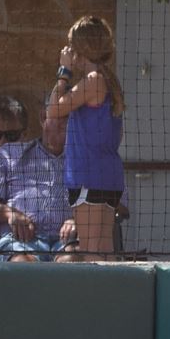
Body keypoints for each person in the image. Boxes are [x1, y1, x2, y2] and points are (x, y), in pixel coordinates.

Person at [44, 15, 127, 254]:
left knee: (91, 250)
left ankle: (98, 292)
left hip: (88, 175)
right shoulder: (110, 82)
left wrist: (63, 71)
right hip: (108, 175)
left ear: (82, 49)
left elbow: (53, 111)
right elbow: (116, 134)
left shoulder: (92, 81)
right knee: (105, 249)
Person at [0, 92, 69, 256]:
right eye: (61, 115)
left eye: (74, 117)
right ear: (44, 117)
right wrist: (10, 214)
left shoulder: (88, 161)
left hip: (68, 242)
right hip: (20, 242)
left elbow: (118, 208)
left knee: (75, 260)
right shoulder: (9, 153)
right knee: (21, 264)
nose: (67, 122)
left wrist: (79, 223)